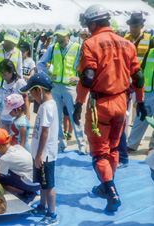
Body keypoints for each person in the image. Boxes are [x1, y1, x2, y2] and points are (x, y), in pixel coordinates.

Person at [75, 4, 146, 212]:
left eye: (89, 25)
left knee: (99, 152)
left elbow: (87, 77)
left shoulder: (90, 43)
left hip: (100, 105)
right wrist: (140, 102)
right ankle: (107, 184)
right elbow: (139, 77)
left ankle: (111, 191)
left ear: (94, 23)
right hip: (121, 103)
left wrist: (79, 103)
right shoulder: (127, 44)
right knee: (114, 148)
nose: (88, 29)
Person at [37, 24, 87, 155]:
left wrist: (79, 77)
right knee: (56, 116)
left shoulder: (78, 47)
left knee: (75, 115)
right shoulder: (53, 48)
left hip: (70, 87)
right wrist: (46, 75)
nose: (58, 38)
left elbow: (86, 65)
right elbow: (40, 63)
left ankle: (82, 145)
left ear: (68, 36)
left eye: (61, 36)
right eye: (57, 35)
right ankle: (61, 143)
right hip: (55, 86)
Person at [19, 72, 59, 226]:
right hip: (39, 154)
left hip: (45, 155)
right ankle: (42, 206)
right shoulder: (44, 105)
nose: (30, 95)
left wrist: (40, 154)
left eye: (32, 92)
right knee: (42, 183)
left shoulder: (48, 107)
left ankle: (52, 213)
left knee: (48, 185)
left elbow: (45, 132)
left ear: (39, 90)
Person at [125, 12, 154, 156]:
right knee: (139, 116)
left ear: (142, 25)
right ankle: (132, 143)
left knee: (147, 114)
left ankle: (153, 145)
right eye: (131, 25)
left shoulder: (150, 39)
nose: (133, 28)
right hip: (129, 82)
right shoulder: (125, 39)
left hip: (147, 83)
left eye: (136, 25)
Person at [0, 128, 39, 203]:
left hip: (31, 185)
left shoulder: (5, 158)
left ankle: (26, 194)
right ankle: (29, 192)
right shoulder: (18, 147)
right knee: (10, 172)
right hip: (39, 183)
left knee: (2, 180)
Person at [0, 59, 29, 131]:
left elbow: (26, 101)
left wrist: (27, 118)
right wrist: (0, 122)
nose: (2, 76)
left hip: (16, 119)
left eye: (4, 74)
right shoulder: (3, 83)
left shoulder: (19, 83)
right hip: (4, 118)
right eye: (1, 74)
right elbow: (1, 104)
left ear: (11, 71)